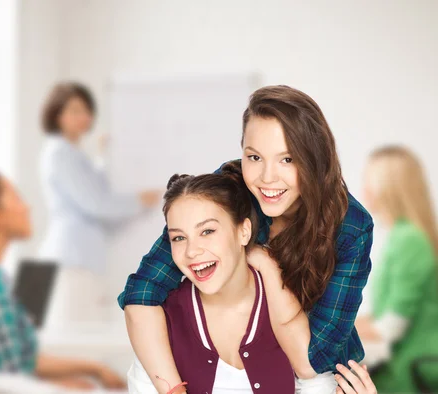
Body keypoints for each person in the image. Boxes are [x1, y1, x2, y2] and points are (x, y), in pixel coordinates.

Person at [118, 85, 374, 393]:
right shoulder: (230, 189)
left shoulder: (351, 227)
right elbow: (143, 292)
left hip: (317, 375)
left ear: (315, 160)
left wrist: (264, 263)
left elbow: (313, 361)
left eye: (287, 159)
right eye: (254, 157)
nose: (267, 178)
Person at [0, 167, 125, 390]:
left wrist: (93, 368)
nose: (27, 207)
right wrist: (68, 387)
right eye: (16, 198)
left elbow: (20, 362)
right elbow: (7, 384)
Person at [38, 82, 160, 325]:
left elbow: (94, 190)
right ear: (56, 114)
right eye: (74, 111)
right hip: (70, 262)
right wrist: (139, 201)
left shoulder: (72, 153)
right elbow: (96, 203)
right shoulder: (60, 153)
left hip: (75, 261)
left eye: (86, 110)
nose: (84, 117)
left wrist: (104, 157)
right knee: (73, 340)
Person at [356, 146, 438, 392]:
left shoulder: (409, 240)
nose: (364, 191)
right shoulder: (401, 236)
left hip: (410, 375)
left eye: (370, 182)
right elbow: (384, 314)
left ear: (390, 189)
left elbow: (389, 327)